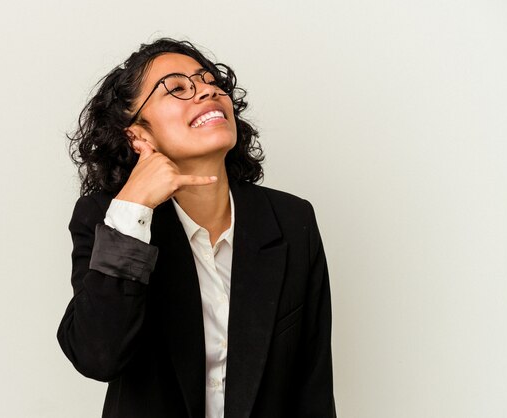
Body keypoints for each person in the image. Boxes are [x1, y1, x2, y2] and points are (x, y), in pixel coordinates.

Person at [57, 38, 337, 418]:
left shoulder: (291, 220)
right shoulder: (107, 219)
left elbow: (312, 388)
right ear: (137, 134)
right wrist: (132, 209)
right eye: (177, 88)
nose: (208, 90)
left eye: (210, 81)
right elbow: (97, 356)